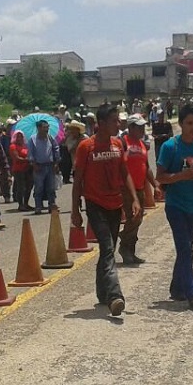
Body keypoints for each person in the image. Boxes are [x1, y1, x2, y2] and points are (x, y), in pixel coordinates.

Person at [71, 103, 140, 317]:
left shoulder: (118, 144)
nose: (118, 124)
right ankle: (114, 296)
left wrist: (134, 199)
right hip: (95, 204)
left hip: (115, 204)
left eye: (118, 120)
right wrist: (75, 210)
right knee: (108, 248)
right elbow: (78, 180)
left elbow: (124, 172)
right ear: (101, 124)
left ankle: (102, 292)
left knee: (107, 249)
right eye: (114, 121)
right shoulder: (86, 147)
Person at [156, 104, 193, 306]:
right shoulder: (170, 147)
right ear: (181, 124)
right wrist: (181, 176)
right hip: (175, 205)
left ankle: (177, 288)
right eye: (189, 123)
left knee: (186, 248)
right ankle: (192, 290)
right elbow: (160, 177)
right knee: (185, 248)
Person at [121, 114, 158, 265]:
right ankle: (125, 247)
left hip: (140, 187)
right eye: (139, 127)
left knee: (138, 219)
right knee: (133, 218)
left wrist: (155, 185)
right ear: (130, 127)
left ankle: (130, 250)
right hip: (126, 189)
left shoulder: (142, 144)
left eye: (143, 127)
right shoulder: (123, 142)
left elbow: (146, 166)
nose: (142, 130)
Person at [28, 119, 62, 215]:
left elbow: (56, 149)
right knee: (39, 188)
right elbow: (30, 153)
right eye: (44, 127)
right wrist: (34, 164)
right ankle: (38, 206)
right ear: (38, 128)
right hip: (38, 166)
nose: (46, 129)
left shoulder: (50, 138)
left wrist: (56, 163)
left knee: (51, 188)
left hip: (50, 166)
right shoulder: (33, 139)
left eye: (47, 127)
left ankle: (52, 205)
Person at [8, 130, 33, 211]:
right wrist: (27, 160)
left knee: (29, 187)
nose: (19, 138)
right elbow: (16, 158)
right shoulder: (13, 146)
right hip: (18, 169)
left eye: (21, 136)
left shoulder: (25, 146)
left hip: (27, 169)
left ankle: (26, 203)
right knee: (21, 187)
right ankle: (20, 205)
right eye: (18, 137)